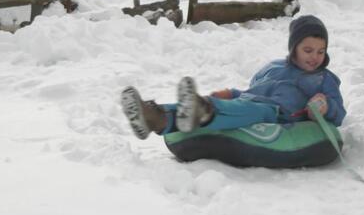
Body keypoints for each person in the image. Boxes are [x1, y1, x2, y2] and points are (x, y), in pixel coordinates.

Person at [120, 15, 347, 139]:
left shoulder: (324, 79)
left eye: (321, 51)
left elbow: (339, 112)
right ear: (293, 48)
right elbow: (253, 93)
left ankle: (204, 110)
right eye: (308, 50)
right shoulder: (275, 68)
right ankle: (155, 116)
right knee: (242, 105)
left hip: (277, 113)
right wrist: (231, 93)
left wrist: (326, 107)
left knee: (255, 110)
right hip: (252, 102)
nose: (315, 57)